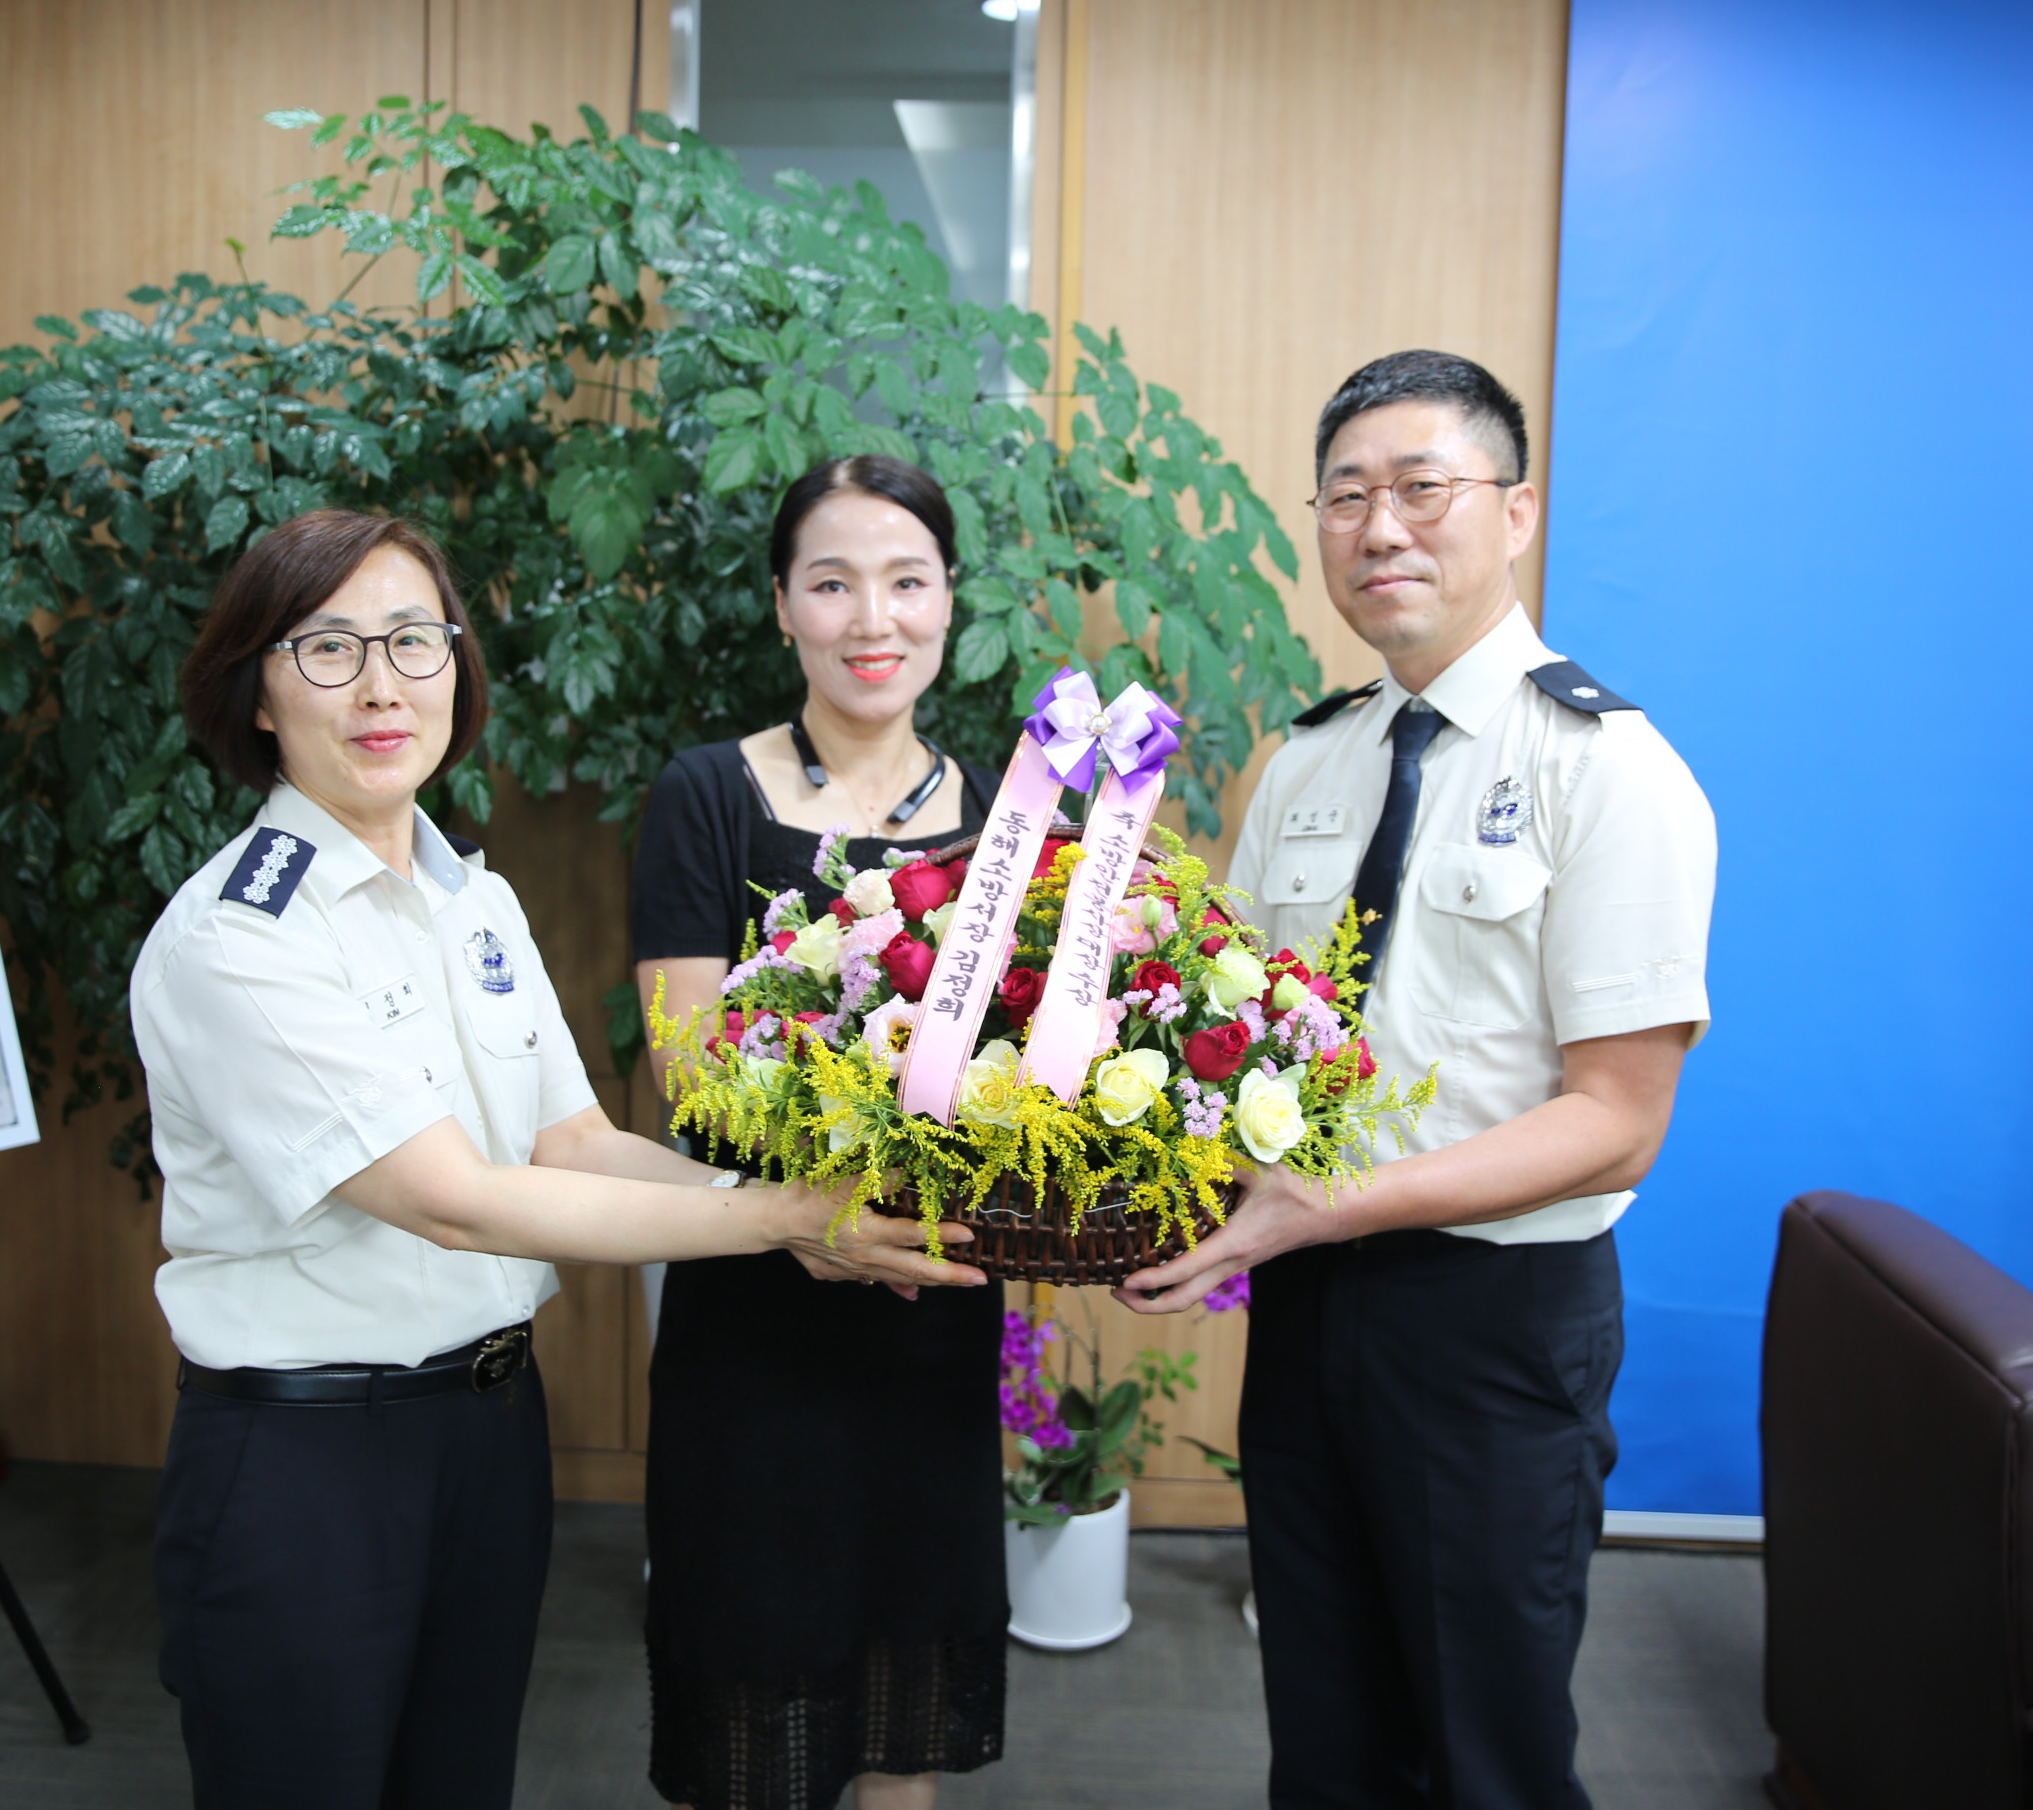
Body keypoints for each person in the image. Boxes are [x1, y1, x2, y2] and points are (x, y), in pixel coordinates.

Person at [131, 509, 979, 1810]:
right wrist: (781, 1222)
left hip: (488, 1433)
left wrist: (782, 1205)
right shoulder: (241, 938)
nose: (381, 687)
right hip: (309, 1461)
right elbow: (457, 1203)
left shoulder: (475, 899)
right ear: (255, 691)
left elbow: (573, 1143)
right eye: (329, 649)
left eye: (413, 641)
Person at [1121, 352, 1719, 1809]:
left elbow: (1618, 1123)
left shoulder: (1609, 769)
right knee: (1326, 1732)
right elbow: (1233, 1034)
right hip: (1309, 1299)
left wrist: (1336, 1203)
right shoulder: (1309, 760)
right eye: (1345, 497)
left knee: (1486, 1748)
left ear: (1515, 513)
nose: (1379, 527)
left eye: (1419, 488)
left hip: (1490, 1320)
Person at [630, 456, 1010, 1810]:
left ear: (949, 600)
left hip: (935, 1316)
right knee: (760, 1713)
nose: (873, 619)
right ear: (783, 604)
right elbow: (693, 1078)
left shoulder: (1014, 822)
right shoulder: (706, 795)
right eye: (833, 584)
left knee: (908, 1719)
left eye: (907, 582)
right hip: (758, 1312)